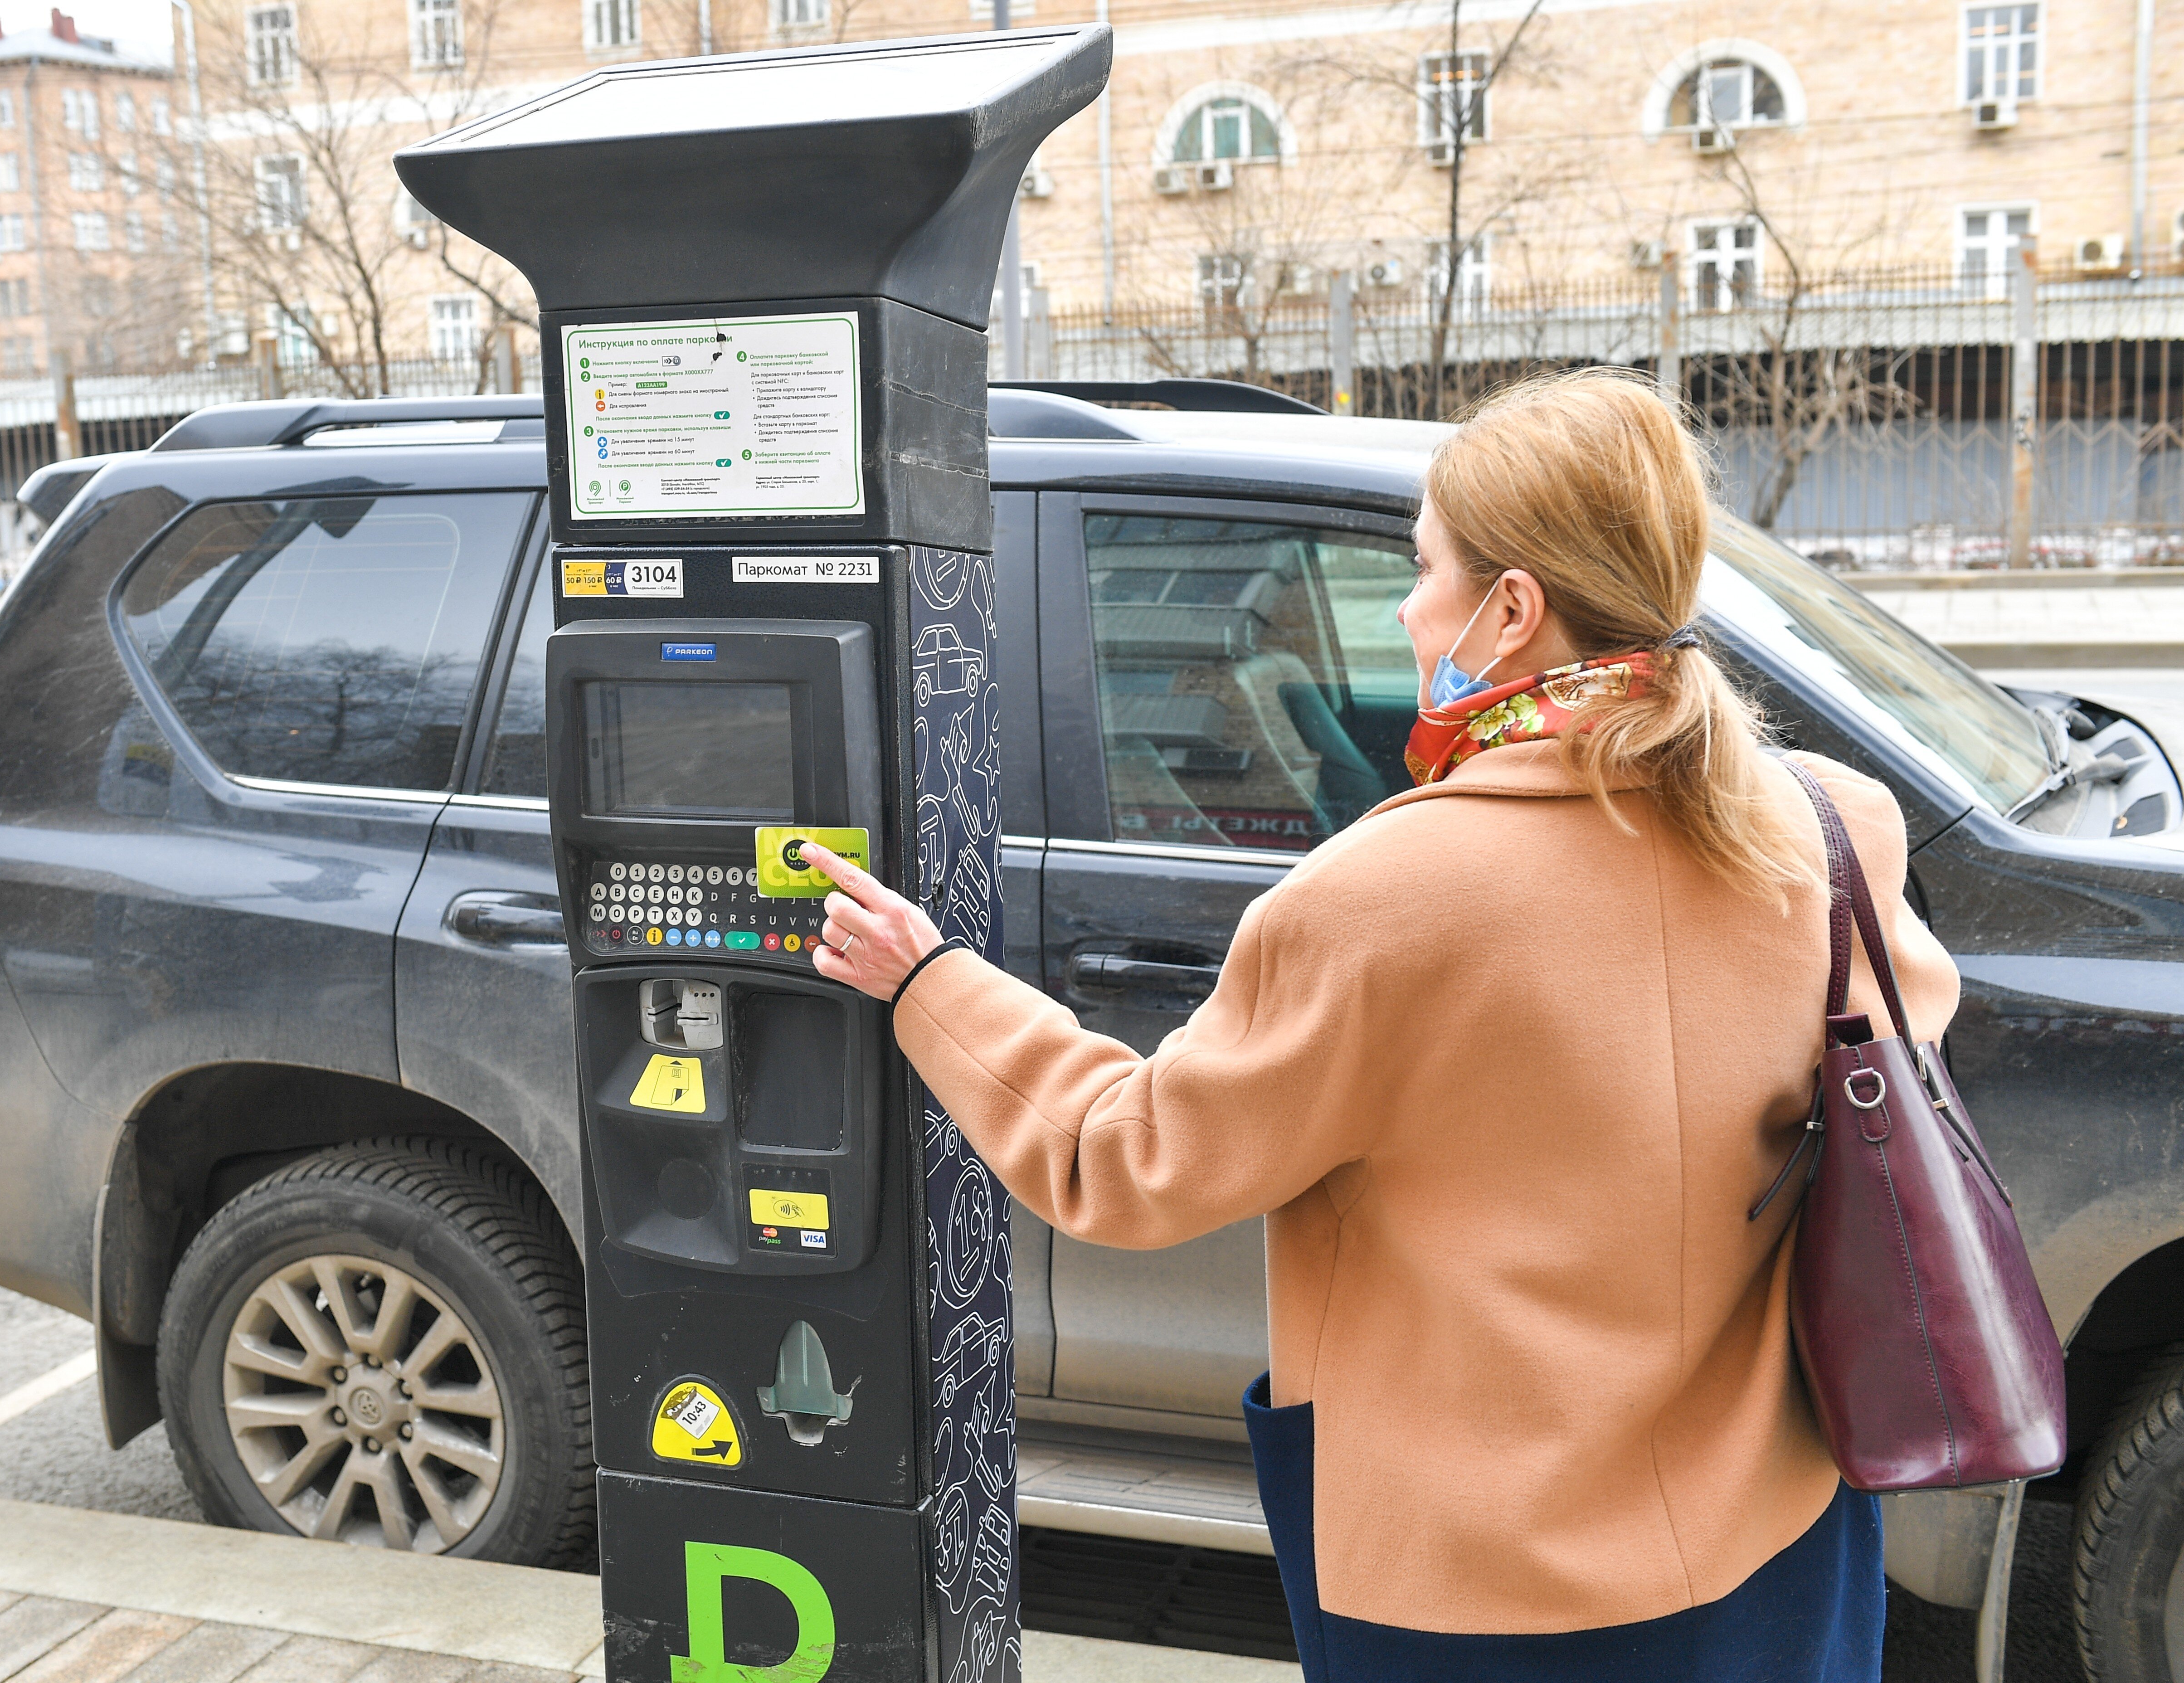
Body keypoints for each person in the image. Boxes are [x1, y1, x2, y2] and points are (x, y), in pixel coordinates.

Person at [798, 368, 1958, 1682]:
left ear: (1509, 609)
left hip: (1483, 1592)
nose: (1410, 609)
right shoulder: (1825, 825)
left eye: (1421, 570)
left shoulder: (1386, 897)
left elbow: (1127, 1165)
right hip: (1783, 1535)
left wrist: (928, 980)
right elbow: (1895, 1050)